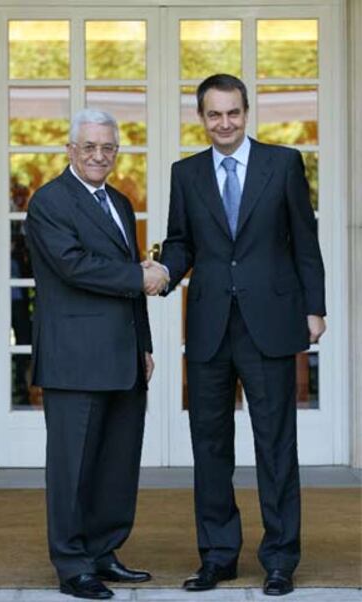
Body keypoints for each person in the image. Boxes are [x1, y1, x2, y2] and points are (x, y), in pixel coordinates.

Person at [148, 74, 327, 596]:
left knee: (275, 446)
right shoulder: (186, 174)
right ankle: (218, 556)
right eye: (213, 115)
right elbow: (181, 243)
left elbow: (305, 242)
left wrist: (314, 308)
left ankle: (279, 559)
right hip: (208, 328)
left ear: (246, 113)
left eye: (232, 113)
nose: (223, 123)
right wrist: (160, 275)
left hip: (269, 324)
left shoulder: (284, 164)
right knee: (210, 447)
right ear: (201, 118)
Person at [26, 108, 168, 600]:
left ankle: (104, 551)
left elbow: (129, 274)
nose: (98, 156)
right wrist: (141, 277)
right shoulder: (49, 202)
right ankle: (72, 565)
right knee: (72, 467)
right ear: (69, 150)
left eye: (107, 147)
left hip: (123, 355)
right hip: (75, 358)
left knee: (116, 463)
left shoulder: (122, 203)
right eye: (88, 147)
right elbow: (73, 266)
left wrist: (144, 343)